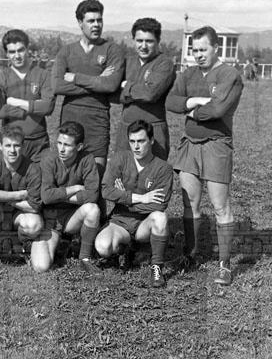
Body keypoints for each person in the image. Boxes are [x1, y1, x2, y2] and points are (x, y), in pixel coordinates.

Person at [165, 25, 243, 286]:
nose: (198, 55)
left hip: (217, 144)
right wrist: (193, 102)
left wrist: (190, 111)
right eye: (194, 50)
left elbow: (218, 110)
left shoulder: (230, 74)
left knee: (220, 206)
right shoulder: (188, 73)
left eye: (203, 50)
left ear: (215, 48)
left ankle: (224, 265)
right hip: (190, 144)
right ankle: (190, 254)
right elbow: (170, 101)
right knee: (190, 202)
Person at [95, 120, 173, 287]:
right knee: (102, 247)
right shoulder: (120, 158)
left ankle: (156, 267)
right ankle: (126, 249)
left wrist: (122, 197)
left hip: (144, 224)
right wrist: (140, 198)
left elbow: (159, 205)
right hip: (120, 221)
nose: (136, 146)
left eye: (141, 141)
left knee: (160, 218)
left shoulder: (163, 168)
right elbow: (106, 191)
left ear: (151, 140)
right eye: (132, 141)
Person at [54, 0, 125, 171]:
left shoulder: (112, 50)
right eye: (91, 21)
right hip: (70, 117)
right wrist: (98, 80)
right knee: (68, 173)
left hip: (97, 120)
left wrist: (76, 77)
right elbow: (57, 85)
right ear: (80, 23)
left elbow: (110, 85)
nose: (96, 25)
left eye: (99, 20)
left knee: (96, 172)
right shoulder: (66, 51)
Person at [32, 121, 101, 274]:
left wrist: (58, 195)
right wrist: (74, 189)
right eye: (59, 143)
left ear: (79, 146)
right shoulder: (49, 159)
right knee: (41, 266)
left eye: (67, 145)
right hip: (50, 220)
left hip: (72, 217)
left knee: (92, 209)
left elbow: (92, 195)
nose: (61, 149)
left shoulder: (87, 159)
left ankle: (84, 258)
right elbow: (46, 197)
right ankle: (58, 244)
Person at [115, 18, 176, 161]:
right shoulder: (128, 62)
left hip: (153, 129)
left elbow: (150, 94)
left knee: (153, 172)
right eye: (139, 41)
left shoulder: (164, 64)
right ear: (133, 40)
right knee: (122, 169)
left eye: (149, 41)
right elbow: (114, 93)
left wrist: (127, 86)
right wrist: (137, 90)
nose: (143, 46)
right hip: (126, 129)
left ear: (158, 41)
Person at [0, 29, 56, 162]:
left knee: (42, 174)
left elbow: (48, 107)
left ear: (27, 49)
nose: (17, 56)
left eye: (20, 50)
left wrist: (15, 102)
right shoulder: (1, 77)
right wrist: (34, 107)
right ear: (6, 53)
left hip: (38, 142)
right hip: (11, 142)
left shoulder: (43, 74)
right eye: (12, 52)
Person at [0, 125, 43, 258]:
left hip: (19, 214)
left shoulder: (33, 168)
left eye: (16, 146)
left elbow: (35, 206)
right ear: (0, 146)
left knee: (34, 225)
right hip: (0, 211)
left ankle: (21, 243)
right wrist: (19, 195)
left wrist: (6, 200)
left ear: (23, 146)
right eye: (8, 145)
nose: (12, 150)